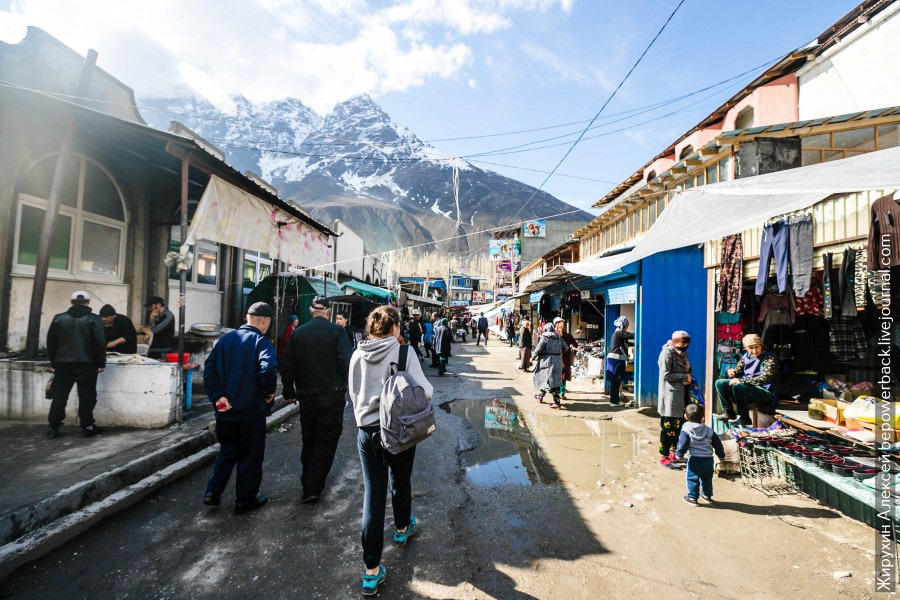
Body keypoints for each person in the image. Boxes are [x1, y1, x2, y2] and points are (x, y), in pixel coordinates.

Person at [348, 306, 433, 595]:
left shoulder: (358, 353)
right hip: (398, 430)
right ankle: (401, 529)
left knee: (373, 496)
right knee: (401, 481)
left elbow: (353, 392)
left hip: (367, 432)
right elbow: (426, 391)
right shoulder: (403, 353)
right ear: (395, 327)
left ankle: (371, 572)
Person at [202, 302, 277, 513]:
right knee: (250, 455)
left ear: (247, 317)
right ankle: (245, 498)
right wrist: (268, 392)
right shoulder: (261, 341)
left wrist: (218, 397)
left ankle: (213, 492)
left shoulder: (224, 340)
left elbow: (209, 372)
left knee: (227, 451)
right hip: (251, 412)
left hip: (226, 411)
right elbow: (267, 369)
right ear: (265, 321)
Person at [281, 296, 352, 503]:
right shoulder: (337, 332)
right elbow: (345, 362)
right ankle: (312, 485)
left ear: (311, 311)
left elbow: (287, 365)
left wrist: (288, 391)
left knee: (309, 437)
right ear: (328, 312)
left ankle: (309, 480)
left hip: (307, 395)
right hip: (332, 395)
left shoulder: (299, 333)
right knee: (326, 439)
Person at [46, 291, 107, 439]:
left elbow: (51, 343)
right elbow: (99, 343)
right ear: (88, 302)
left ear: (71, 301)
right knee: (86, 396)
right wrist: (101, 362)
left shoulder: (58, 318)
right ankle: (87, 426)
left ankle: (53, 427)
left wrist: (53, 363)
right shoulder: (94, 319)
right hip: (87, 363)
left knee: (59, 396)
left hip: (62, 363)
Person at [715, 334, 783, 428]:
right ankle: (729, 412)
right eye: (751, 348)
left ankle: (744, 418)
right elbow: (738, 372)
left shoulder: (770, 359)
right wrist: (732, 372)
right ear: (745, 348)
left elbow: (763, 379)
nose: (754, 350)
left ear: (761, 346)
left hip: (766, 392)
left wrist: (741, 380)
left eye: (757, 347)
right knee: (720, 383)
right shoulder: (745, 357)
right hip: (749, 389)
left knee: (738, 386)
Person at [676, 403, 725, 506]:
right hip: (708, 460)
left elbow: (682, 443)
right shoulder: (709, 430)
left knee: (692, 478)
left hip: (694, 460)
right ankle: (707, 496)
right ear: (703, 418)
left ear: (685, 416)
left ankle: (692, 497)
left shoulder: (686, 429)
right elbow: (717, 444)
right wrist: (721, 455)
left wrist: (679, 455)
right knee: (707, 479)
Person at [658, 330, 693, 468]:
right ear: (674, 341)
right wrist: (684, 378)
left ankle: (674, 454)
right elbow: (666, 374)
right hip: (670, 396)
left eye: (686, 343)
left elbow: (687, 370)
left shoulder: (683, 353)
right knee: (668, 428)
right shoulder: (667, 353)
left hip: (682, 394)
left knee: (678, 427)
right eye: (681, 343)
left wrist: (688, 378)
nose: (684, 346)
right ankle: (665, 457)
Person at [533, 323, 569, 409]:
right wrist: (558, 353)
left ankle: (557, 402)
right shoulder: (559, 337)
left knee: (549, 382)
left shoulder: (545, 338)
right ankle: (540, 396)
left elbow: (538, 349)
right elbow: (566, 347)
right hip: (557, 361)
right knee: (551, 380)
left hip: (547, 361)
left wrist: (532, 358)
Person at [605, 316, 633, 406]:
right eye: (626, 326)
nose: (626, 328)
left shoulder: (617, 334)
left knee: (617, 381)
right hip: (615, 360)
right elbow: (633, 335)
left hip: (616, 360)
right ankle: (613, 401)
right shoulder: (620, 333)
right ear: (622, 326)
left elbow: (626, 343)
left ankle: (616, 400)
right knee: (615, 381)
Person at [554, 317, 578, 401]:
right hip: (566, 359)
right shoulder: (568, 336)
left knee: (556, 376)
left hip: (556, 358)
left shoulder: (554, 335)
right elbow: (576, 345)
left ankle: (555, 393)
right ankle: (562, 393)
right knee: (563, 377)